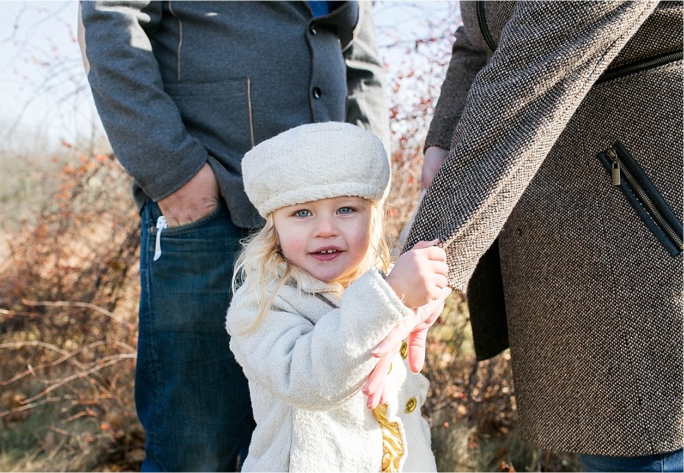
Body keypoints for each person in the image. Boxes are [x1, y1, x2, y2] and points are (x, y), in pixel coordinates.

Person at [80, 2, 389, 469]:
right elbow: (111, 13)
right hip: (214, 205)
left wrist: (365, 184)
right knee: (196, 450)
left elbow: (361, 63)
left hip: (336, 231)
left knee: (321, 443)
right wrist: (175, 173)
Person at [403, 2, 682, 471]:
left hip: (645, 193)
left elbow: (538, 53)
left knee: (649, 434)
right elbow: (480, 36)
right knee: (605, 429)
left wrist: (434, 254)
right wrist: (445, 135)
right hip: (569, 209)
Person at [226, 122, 446, 472]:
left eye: (346, 209)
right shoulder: (261, 305)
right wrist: (391, 295)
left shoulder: (381, 280)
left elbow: (431, 238)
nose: (325, 228)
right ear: (274, 227)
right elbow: (308, 380)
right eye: (302, 212)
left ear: (372, 218)